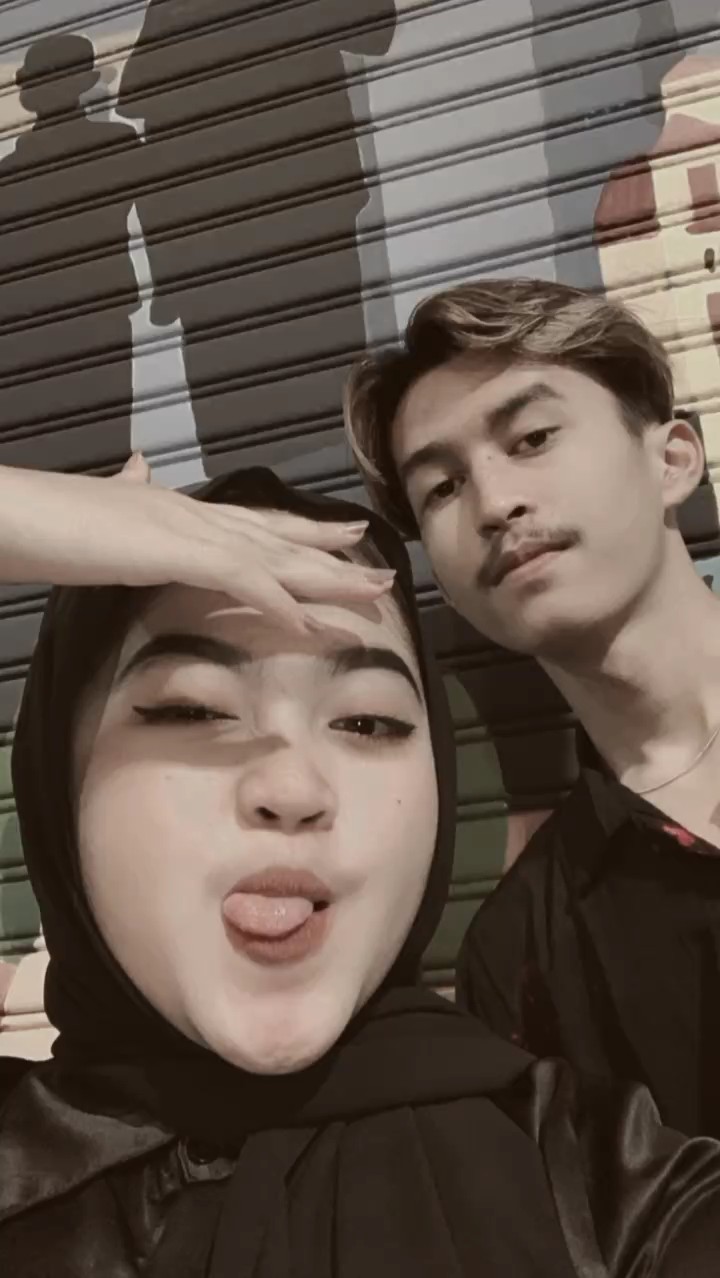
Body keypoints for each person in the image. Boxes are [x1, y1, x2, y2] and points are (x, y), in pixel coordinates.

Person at [2, 456, 720, 1275]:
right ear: (58, 784)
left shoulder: (605, 1189)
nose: (292, 789)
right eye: (191, 709)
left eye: (368, 723)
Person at [344, 276, 720, 1138]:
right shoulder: (522, 961)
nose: (493, 504)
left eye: (533, 437)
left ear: (671, 461)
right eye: (441, 488)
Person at [116, 0, 396, 474]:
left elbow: (374, 30)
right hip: (222, 229)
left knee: (325, 393)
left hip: (301, 206)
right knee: (243, 417)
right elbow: (138, 92)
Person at [0, 35, 146, 471]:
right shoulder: (116, 146)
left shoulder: (10, 173)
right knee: (98, 447)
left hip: (38, 326)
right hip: (83, 316)